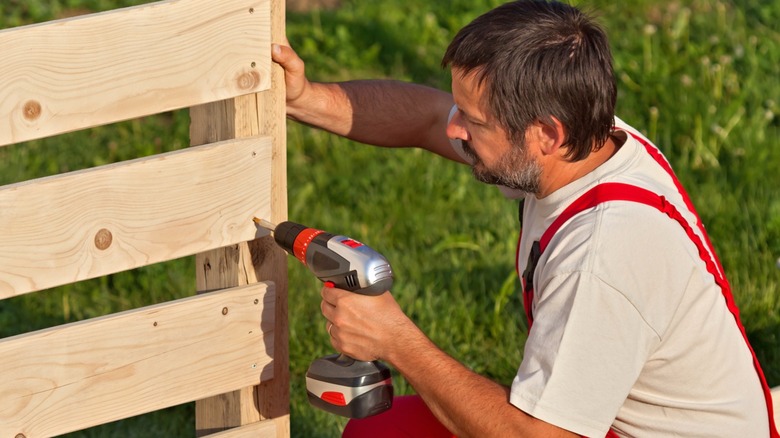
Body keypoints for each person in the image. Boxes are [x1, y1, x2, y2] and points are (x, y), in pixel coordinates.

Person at [272, 1, 778, 437]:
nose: (453, 127)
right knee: (384, 430)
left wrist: (396, 340)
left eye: (472, 121)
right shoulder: (585, 142)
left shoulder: (600, 258)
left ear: (547, 135)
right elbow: (427, 116)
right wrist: (307, 99)